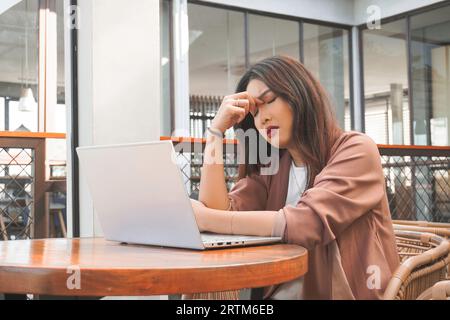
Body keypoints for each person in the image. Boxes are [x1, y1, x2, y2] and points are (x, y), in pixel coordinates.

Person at [190, 55, 399, 300]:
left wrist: (206, 219)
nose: (262, 118)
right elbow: (221, 210)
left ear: (299, 94)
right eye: (255, 113)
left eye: (268, 101)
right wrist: (216, 131)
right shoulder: (275, 166)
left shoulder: (356, 149)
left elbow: (307, 224)